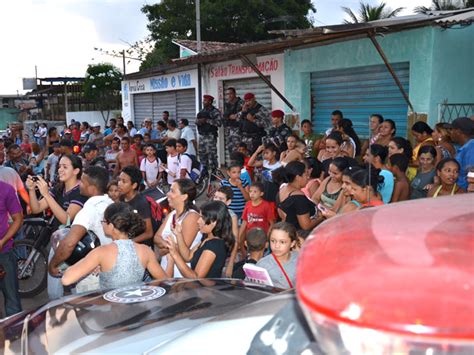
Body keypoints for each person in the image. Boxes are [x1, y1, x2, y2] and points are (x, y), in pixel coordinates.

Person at [62, 202, 167, 289]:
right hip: (136, 309)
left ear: (111, 226)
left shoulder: (101, 252)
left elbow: (66, 279)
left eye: (103, 221)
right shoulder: (145, 251)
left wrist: (91, 263)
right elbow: (164, 280)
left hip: (110, 309)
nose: (102, 224)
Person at [49, 167, 113, 295]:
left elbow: (69, 243)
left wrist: (53, 265)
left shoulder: (88, 211)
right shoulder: (111, 203)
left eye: (83, 182)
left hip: (92, 276)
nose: (79, 185)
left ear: (92, 187)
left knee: (88, 313)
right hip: (111, 268)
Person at [165, 200, 235, 279]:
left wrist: (174, 254)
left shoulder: (214, 245)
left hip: (206, 290)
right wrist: (178, 234)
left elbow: (196, 277)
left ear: (214, 222)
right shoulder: (207, 238)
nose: (198, 221)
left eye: (202, 218)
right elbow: (188, 257)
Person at [154, 179, 201, 277]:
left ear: (184, 197)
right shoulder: (172, 214)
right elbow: (156, 238)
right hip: (165, 268)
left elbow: (183, 250)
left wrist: (163, 249)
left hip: (180, 273)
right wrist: (169, 247)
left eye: (172, 191)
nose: (168, 194)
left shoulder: (192, 217)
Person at [27, 155, 86, 229]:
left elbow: (66, 220)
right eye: (59, 166)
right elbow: (36, 209)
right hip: (56, 236)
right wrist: (31, 189)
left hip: (70, 238)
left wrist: (46, 194)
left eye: (65, 167)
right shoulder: (59, 188)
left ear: (76, 171)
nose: (60, 170)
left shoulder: (81, 191)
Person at [0, 181, 23, 317]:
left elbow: (18, 219)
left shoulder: (6, 189)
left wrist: (3, 241)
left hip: (4, 254)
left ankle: (14, 334)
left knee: (12, 300)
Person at [278, 161, 318, 234]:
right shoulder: (299, 198)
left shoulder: (282, 189)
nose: (308, 177)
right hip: (299, 236)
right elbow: (306, 225)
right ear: (298, 177)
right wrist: (320, 218)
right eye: (306, 175)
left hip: (287, 232)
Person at [118, 166, 154, 246]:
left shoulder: (141, 203)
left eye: (124, 181)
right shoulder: (121, 198)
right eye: (119, 180)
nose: (119, 184)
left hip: (140, 247)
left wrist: (128, 242)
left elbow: (149, 233)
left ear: (134, 185)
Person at [256, 222, 298, 289]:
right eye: (273, 241)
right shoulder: (262, 265)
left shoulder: (301, 260)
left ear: (292, 243)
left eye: (282, 242)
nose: (276, 246)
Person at [239, 182, 275, 253]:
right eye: (250, 191)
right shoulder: (248, 204)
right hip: (250, 236)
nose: (252, 194)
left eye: (255, 192)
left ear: (261, 193)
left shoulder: (266, 206)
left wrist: (267, 238)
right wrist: (239, 237)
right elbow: (244, 222)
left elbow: (272, 223)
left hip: (262, 237)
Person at [213, 186, 239, 278]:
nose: (217, 200)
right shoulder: (209, 213)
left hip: (225, 257)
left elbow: (235, 241)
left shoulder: (232, 217)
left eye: (221, 199)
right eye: (215, 197)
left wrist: (230, 264)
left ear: (228, 202)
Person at [197, 95, 222, 172]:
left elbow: (219, 123)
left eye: (205, 100)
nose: (203, 102)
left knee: (212, 156)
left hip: (210, 136)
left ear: (210, 101)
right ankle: (204, 173)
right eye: (203, 100)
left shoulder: (215, 112)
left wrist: (207, 120)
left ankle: (213, 173)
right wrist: (199, 121)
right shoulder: (201, 111)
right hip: (202, 136)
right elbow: (196, 121)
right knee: (202, 155)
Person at [448, 117, 474, 190]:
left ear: (458, 131)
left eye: (451, 130)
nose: (450, 133)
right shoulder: (465, 147)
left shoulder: (471, 148)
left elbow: (472, 172)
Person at [223, 87, 244, 156]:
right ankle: (233, 165)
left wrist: (234, 116)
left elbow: (241, 115)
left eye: (231, 93)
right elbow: (225, 116)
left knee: (238, 149)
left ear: (235, 94)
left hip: (237, 130)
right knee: (230, 149)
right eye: (227, 94)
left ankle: (239, 165)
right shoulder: (227, 104)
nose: (229, 96)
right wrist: (229, 117)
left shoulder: (241, 103)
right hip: (229, 130)